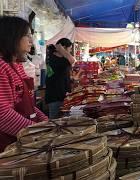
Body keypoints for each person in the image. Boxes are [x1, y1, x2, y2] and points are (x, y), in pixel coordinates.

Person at [0, 16, 48, 151]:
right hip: (7, 148)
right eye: (27, 36)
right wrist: (37, 132)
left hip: (22, 142)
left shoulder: (16, 65)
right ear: (12, 37)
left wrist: (44, 121)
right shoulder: (1, 67)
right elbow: (2, 114)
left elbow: (25, 104)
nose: (31, 41)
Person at [45, 38, 76, 119]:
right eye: (70, 48)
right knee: (56, 122)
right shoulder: (54, 58)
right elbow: (72, 60)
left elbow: (60, 74)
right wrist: (61, 49)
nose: (70, 51)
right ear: (64, 48)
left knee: (63, 121)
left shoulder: (58, 58)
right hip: (56, 96)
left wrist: (71, 79)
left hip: (61, 95)